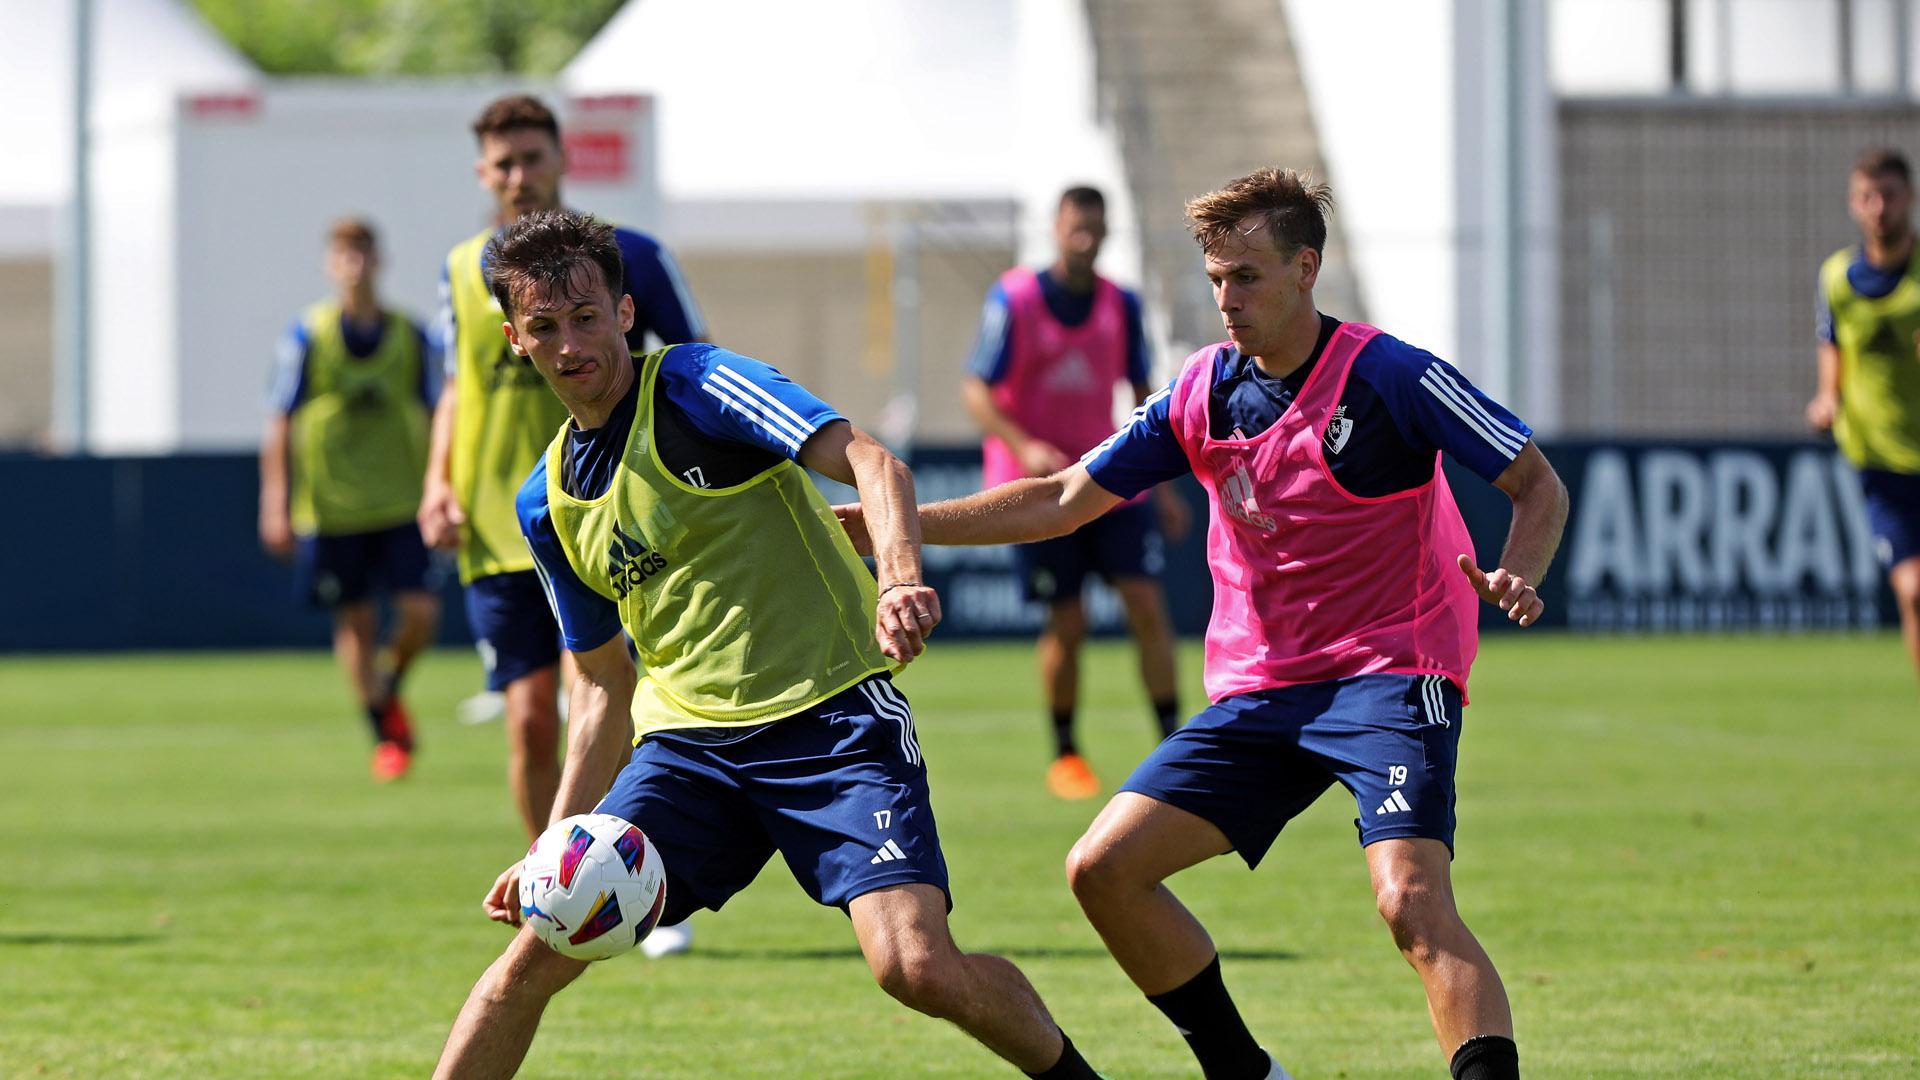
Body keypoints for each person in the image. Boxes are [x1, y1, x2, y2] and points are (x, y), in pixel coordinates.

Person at [842, 169, 1569, 1080]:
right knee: (1103, 870)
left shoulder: (1392, 376)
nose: (1226, 300)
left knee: (1410, 902)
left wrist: (1519, 571)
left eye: (1247, 277)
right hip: (1265, 688)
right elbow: (1062, 499)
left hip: (1392, 670)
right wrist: (890, 526)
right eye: (1217, 279)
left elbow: (1536, 483)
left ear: (1306, 269)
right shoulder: (1203, 389)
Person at [430, 210, 1104, 1080]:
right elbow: (599, 684)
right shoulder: (544, 502)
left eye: (587, 317)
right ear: (515, 341)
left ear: (626, 313)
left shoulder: (698, 385)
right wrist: (552, 846)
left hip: (833, 725)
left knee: (916, 967)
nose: (569, 345)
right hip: (687, 756)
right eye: (545, 326)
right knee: (530, 957)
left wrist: (898, 580)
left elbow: (875, 462)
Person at [417, 97, 708, 960]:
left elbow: (690, 362)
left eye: (532, 157)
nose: (519, 176)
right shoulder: (462, 268)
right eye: (503, 163)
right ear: (483, 173)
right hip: (502, 524)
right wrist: (437, 482)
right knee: (530, 722)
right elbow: (459, 385)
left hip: (608, 516)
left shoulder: (628, 255)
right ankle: (560, 886)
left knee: (619, 704)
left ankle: (644, 887)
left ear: (560, 159)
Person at [964, 185, 1189, 800]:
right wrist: (1023, 445)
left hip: (1106, 480)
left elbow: (1146, 397)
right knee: (1068, 619)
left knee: (1147, 605)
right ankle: (1066, 752)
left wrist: (1164, 487)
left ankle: (1175, 745)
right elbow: (976, 389)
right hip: (1037, 490)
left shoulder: (1123, 303)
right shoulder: (1015, 297)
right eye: (1075, 226)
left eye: (1095, 227)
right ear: (1056, 229)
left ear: (1107, 231)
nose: (1085, 238)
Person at [260, 217, 440, 782]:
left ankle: (386, 688)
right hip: (333, 506)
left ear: (379, 261)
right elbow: (279, 421)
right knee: (355, 620)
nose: (354, 264)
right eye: (344, 254)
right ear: (329, 265)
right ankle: (385, 732)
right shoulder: (307, 335)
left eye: (363, 252)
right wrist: (275, 501)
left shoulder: (411, 336)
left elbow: (440, 412)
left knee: (420, 614)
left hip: (401, 500)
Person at [1809, 146, 1920, 689]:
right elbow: (1833, 346)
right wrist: (1826, 398)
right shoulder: (1837, 277)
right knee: (1914, 592)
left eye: (1889, 196)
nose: (1879, 208)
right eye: (1867, 197)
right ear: (1854, 204)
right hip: (1881, 464)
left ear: (1910, 199)